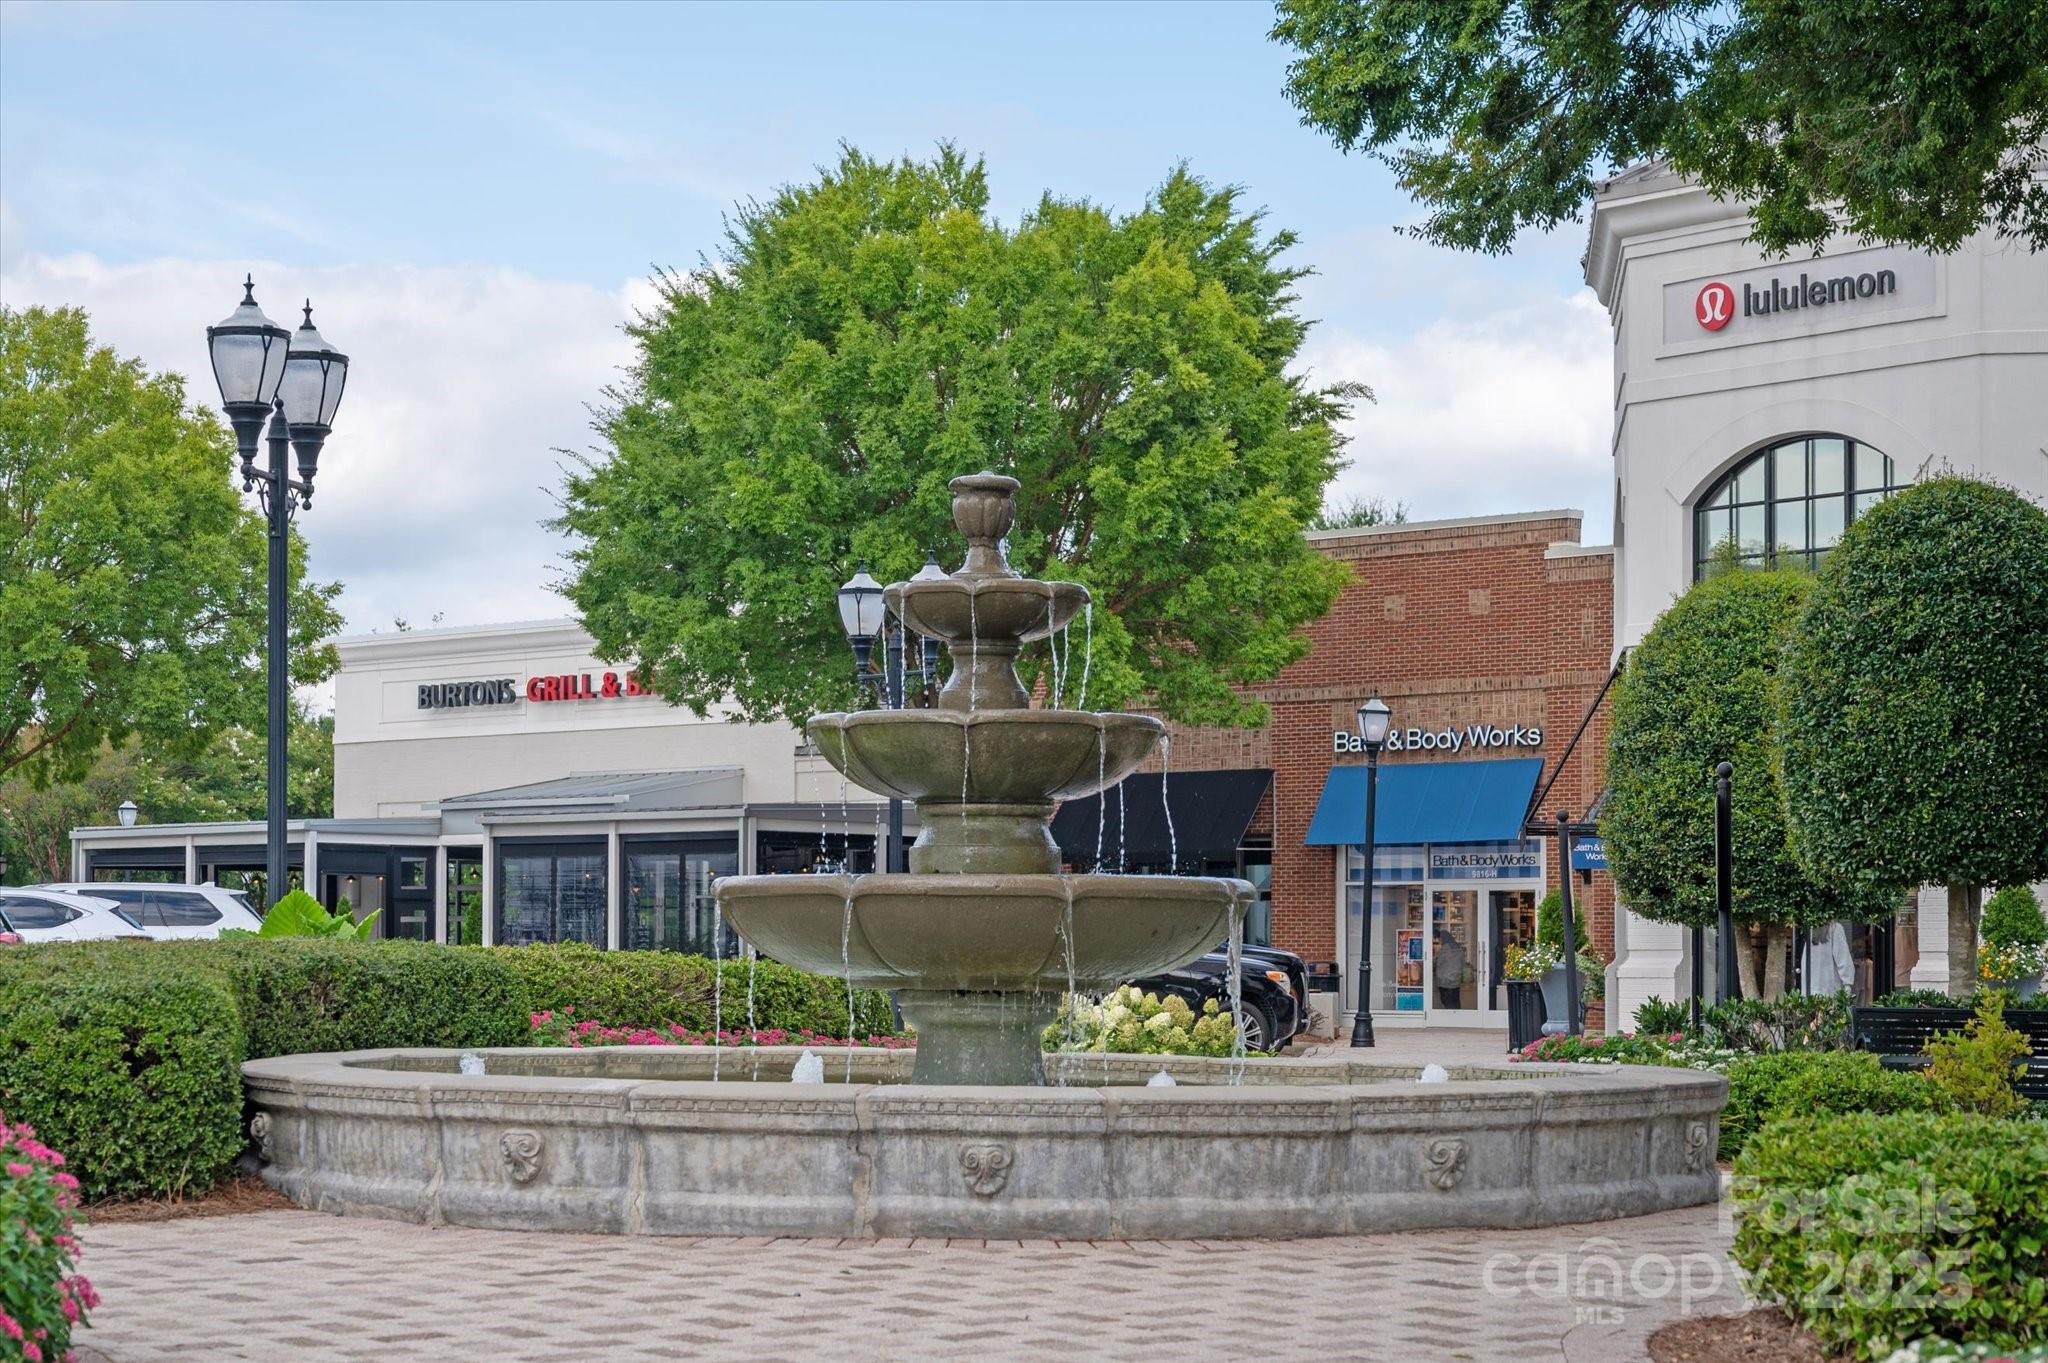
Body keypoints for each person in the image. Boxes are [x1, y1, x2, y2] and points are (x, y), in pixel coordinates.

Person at [1434, 930, 1467, 1009]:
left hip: (1444, 981)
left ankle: (1449, 1020)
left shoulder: (1445, 949)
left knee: (1446, 1002)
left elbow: (1438, 963)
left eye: (1440, 939)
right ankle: (1456, 1019)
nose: (1439, 941)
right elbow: (1463, 964)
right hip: (1456, 981)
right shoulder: (1459, 948)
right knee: (1455, 1002)